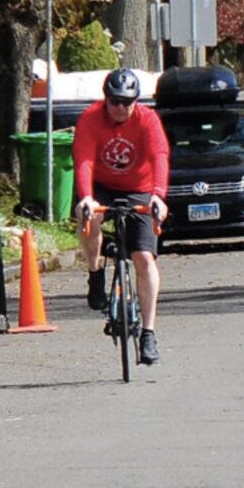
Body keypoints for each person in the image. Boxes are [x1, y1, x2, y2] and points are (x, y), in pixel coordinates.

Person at [73, 68, 170, 365]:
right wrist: (87, 196)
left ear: (136, 101)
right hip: (101, 185)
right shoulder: (91, 119)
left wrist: (157, 195)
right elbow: (85, 159)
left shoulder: (147, 120)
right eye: (114, 101)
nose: (120, 107)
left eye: (127, 102)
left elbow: (159, 155)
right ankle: (94, 272)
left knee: (143, 258)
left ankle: (149, 333)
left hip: (139, 188)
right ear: (106, 99)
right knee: (88, 217)